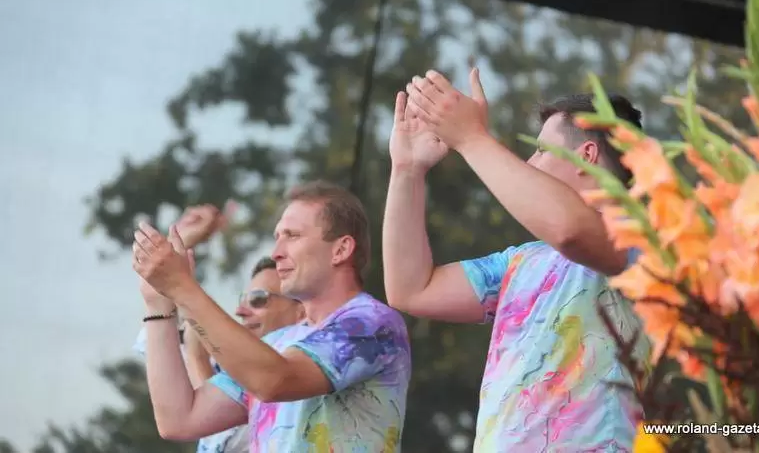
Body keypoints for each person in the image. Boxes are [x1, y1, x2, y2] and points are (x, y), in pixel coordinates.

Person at [382, 68, 649, 451]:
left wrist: (472, 138)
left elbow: (571, 230)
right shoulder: (523, 261)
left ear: (586, 156)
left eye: (541, 149)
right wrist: (407, 170)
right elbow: (411, 289)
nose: (530, 161)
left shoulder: (644, 237)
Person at [131, 181, 411, 452]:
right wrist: (158, 304)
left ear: (341, 249)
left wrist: (182, 288)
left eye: (292, 235)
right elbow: (180, 419)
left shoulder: (371, 324)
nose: (276, 253)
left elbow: (274, 381)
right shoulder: (277, 343)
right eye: (277, 237)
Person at [133, 204, 305, 453]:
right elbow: (158, 342)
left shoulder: (308, 365)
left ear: (302, 312)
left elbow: (214, 431)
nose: (241, 311)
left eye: (258, 299)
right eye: (243, 300)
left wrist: (197, 358)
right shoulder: (225, 365)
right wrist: (180, 241)